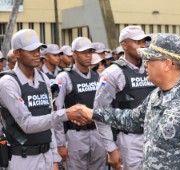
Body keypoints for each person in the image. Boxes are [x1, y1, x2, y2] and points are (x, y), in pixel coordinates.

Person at [79, 33, 180, 169]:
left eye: (149, 59)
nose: (145, 64)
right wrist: (93, 113)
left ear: (167, 64)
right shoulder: (156, 95)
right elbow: (133, 119)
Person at [0, 29, 88, 170]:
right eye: (31, 50)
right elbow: (27, 124)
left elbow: (49, 122)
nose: (37, 54)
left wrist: (54, 157)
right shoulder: (8, 83)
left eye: (38, 49)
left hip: (46, 155)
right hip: (22, 159)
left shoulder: (43, 79)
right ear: (17, 53)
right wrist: (66, 114)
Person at [94, 25, 154, 170]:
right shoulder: (112, 73)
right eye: (137, 42)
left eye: (143, 42)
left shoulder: (152, 67)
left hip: (154, 136)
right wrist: (111, 148)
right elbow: (100, 112)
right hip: (129, 140)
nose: (142, 46)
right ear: (124, 45)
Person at [53, 37, 106, 170]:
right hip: (75, 135)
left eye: (90, 52)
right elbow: (57, 110)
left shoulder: (98, 77)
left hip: (97, 133)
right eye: (83, 52)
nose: (88, 56)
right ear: (74, 54)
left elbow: (104, 107)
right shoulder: (64, 77)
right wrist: (60, 144)